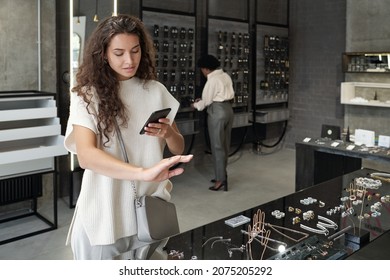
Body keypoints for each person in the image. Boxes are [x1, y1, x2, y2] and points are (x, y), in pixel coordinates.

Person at [64, 14, 193, 260]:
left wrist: (168, 133)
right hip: (104, 212)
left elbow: (178, 148)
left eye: (135, 51)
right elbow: (87, 156)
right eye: (119, 53)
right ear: (103, 54)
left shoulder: (155, 91)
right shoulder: (87, 95)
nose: (129, 60)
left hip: (149, 208)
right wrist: (142, 173)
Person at [191, 54, 234, 191]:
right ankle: (222, 175)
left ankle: (220, 181)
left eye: (202, 69)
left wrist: (194, 105)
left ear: (206, 69)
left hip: (217, 112)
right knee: (225, 145)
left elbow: (205, 103)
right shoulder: (225, 76)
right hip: (228, 110)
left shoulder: (212, 80)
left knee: (217, 147)